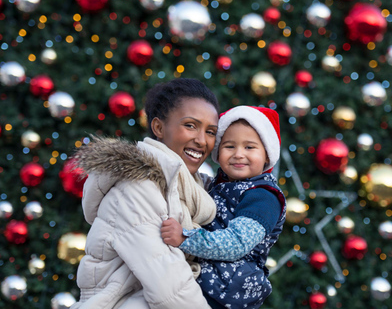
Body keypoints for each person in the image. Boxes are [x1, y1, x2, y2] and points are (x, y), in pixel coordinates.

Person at [72, 78, 220, 309]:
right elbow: (168, 285)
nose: (202, 140)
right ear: (159, 127)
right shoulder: (136, 186)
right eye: (190, 125)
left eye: (210, 131)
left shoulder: (196, 191)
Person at [161, 105, 286, 309]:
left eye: (249, 147)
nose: (238, 154)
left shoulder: (263, 196)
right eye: (229, 146)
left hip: (228, 288)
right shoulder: (219, 184)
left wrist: (184, 238)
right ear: (218, 153)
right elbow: (192, 185)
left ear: (266, 155)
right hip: (208, 277)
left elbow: (236, 243)